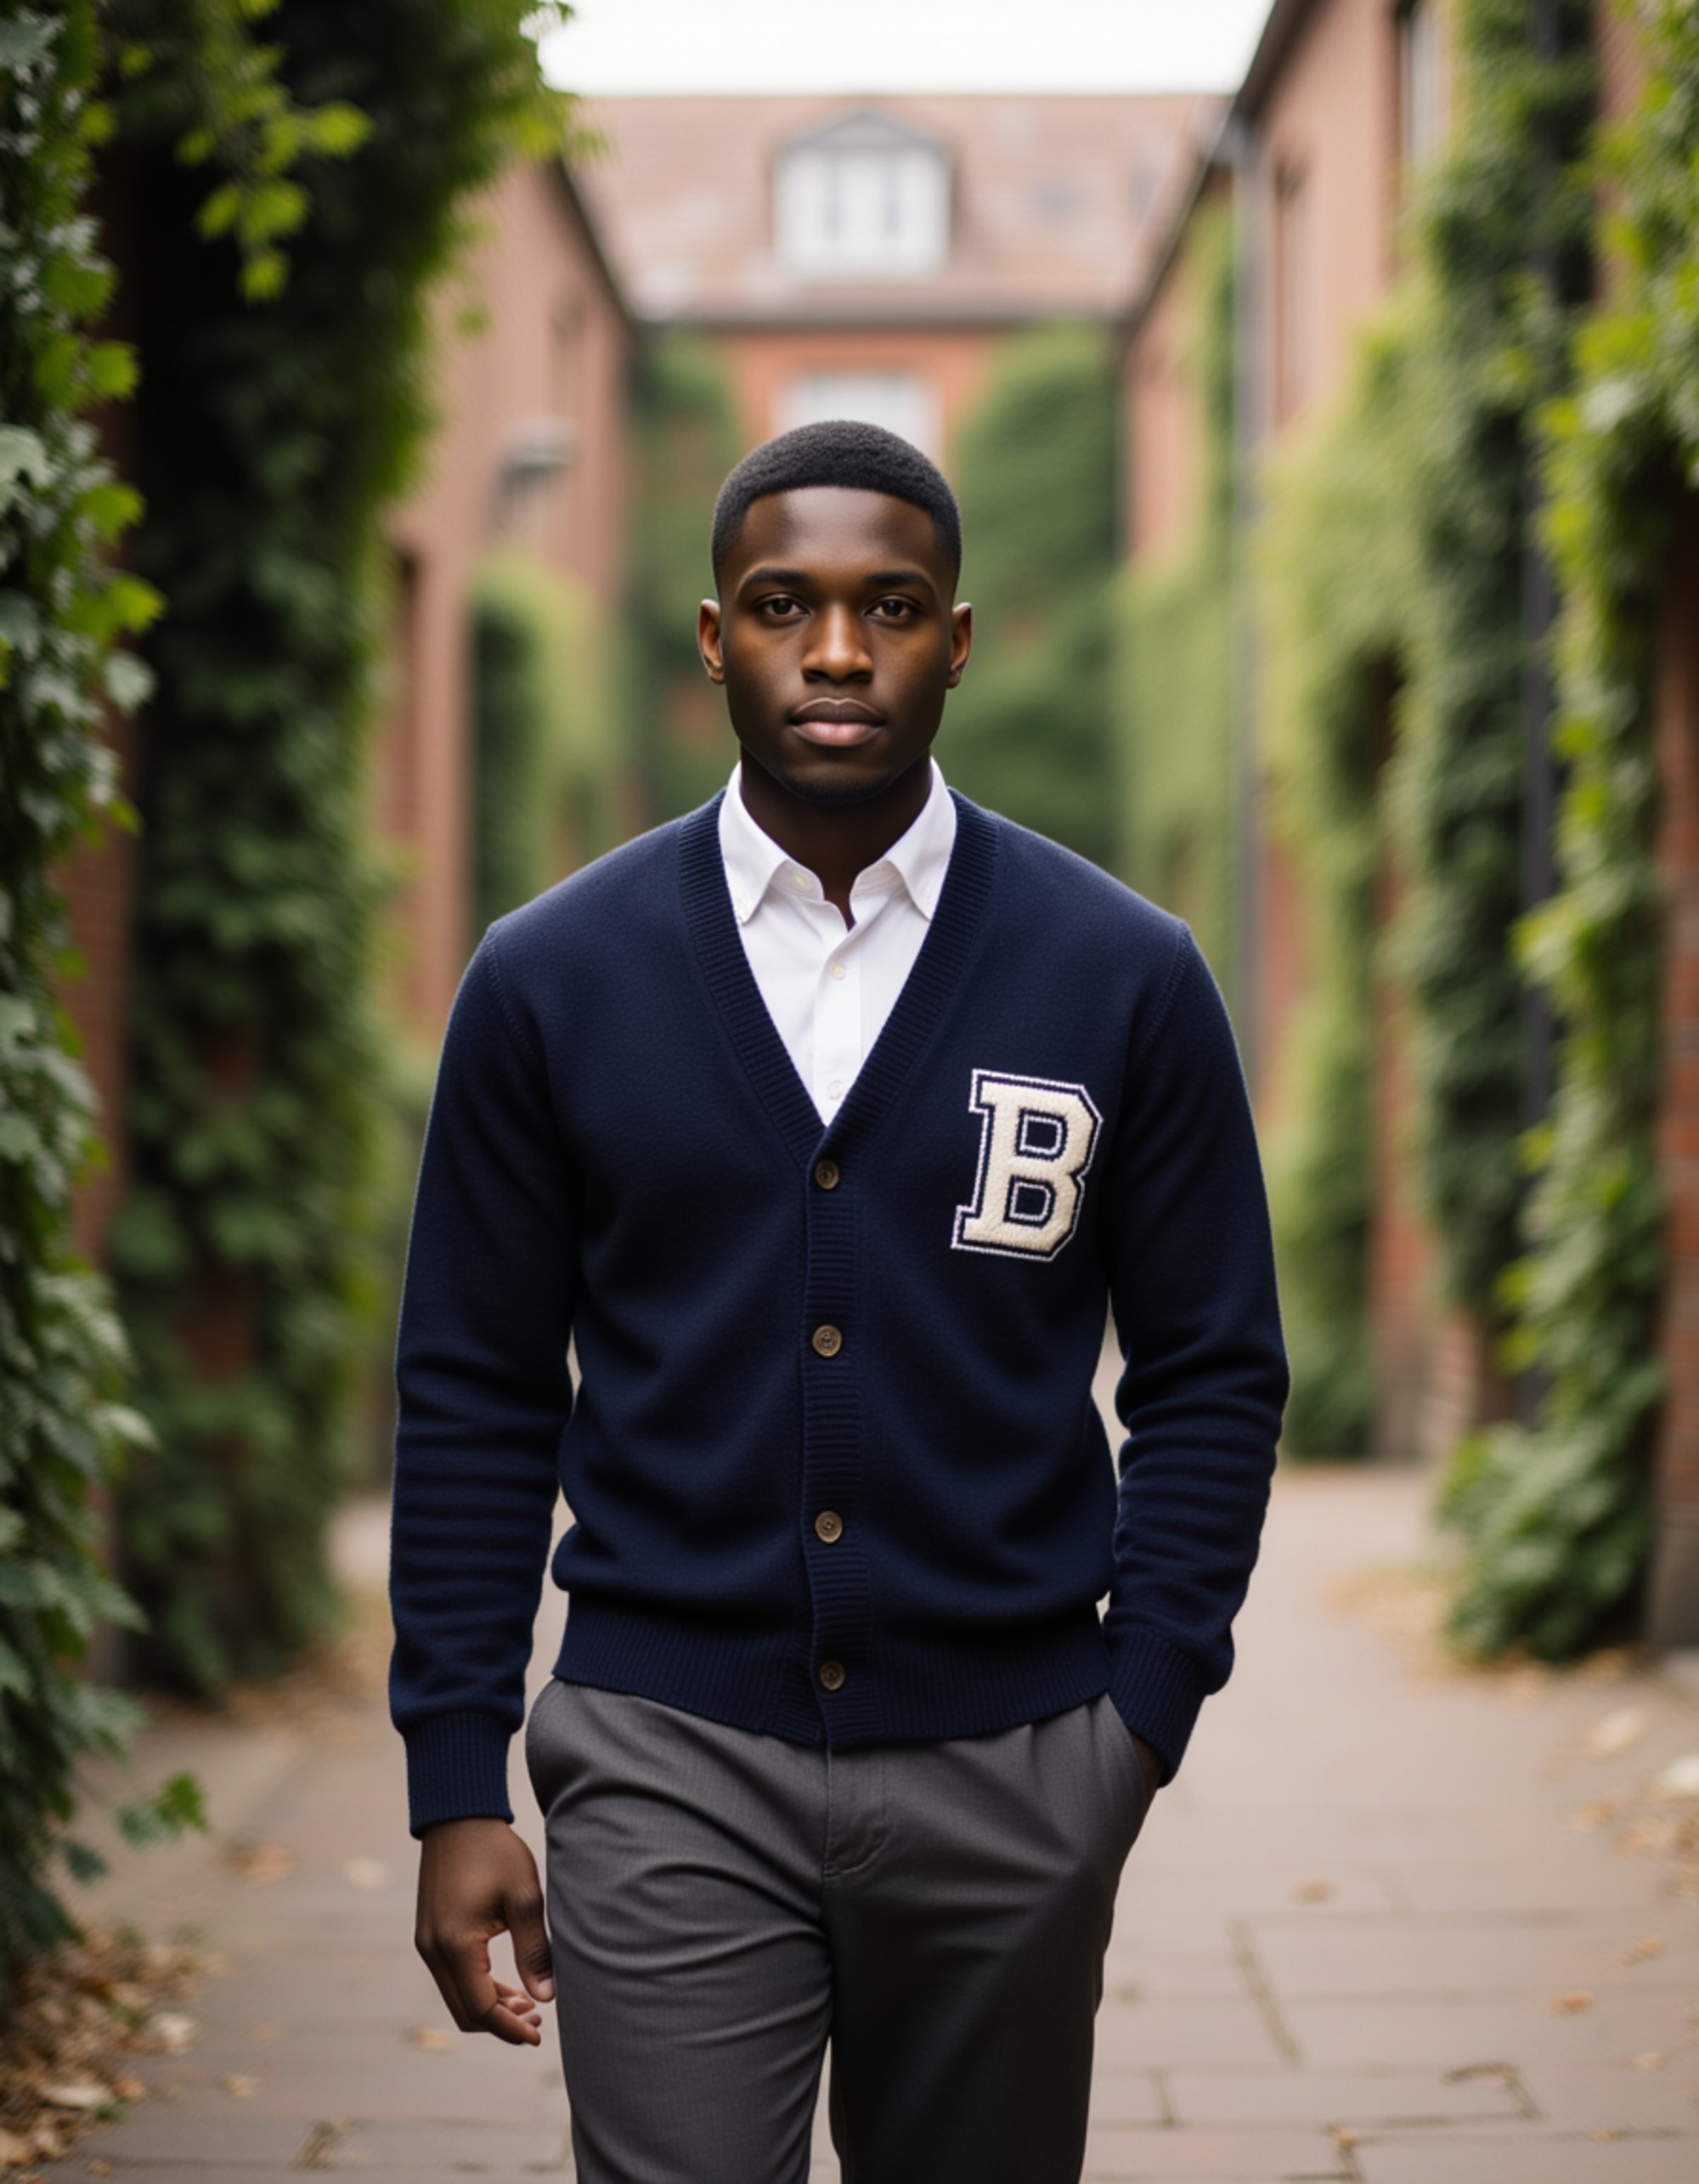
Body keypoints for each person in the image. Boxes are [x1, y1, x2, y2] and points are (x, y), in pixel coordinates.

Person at [390, 419, 1287, 2184]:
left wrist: (1137, 1719)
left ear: (956, 638)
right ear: (710, 634)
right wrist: (453, 1771)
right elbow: (477, 1388)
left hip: (1017, 1764)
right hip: (664, 1755)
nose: (834, 651)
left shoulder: (1123, 975)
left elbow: (1212, 1365)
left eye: (889, 606)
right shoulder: (549, 979)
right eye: (782, 604)